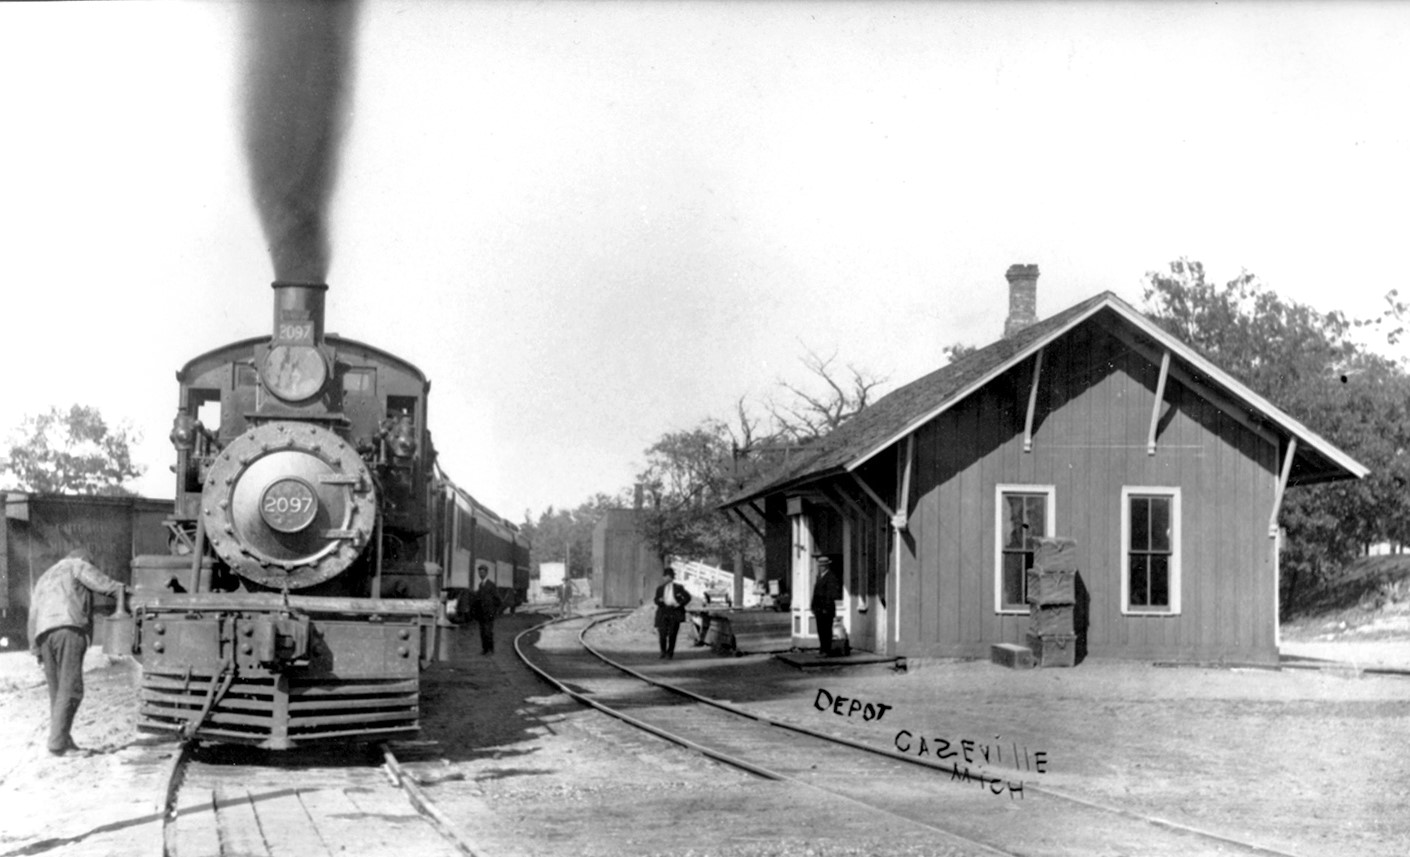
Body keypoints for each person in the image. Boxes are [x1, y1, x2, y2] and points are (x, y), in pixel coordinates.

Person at [27, 548, 126, 756]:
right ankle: (57, 745)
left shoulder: (45, 576)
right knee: (71, 688)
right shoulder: (76, 565)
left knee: (58, 692)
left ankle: (64, 741)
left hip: (44, 635)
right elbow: (104, 585)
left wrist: (35, 647)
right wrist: (128, 591)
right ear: (84, 559)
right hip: (68, 629)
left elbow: (33, 613)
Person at [653, 567, 692, 660]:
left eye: (665, 576)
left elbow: (688, 597)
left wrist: (680, 604)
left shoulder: (679, 588)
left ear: (670, 577)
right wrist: (659, 601)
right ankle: (663, 652)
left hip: (675, 612)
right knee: (662, 633)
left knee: (672, 634)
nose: (664, 578)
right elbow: (655, 599)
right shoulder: (660, 588)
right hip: (663, 611)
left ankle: (670, 653)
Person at [810, 554, 843, 657]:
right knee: (821, 630)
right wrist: (813, 606)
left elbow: (830, 595)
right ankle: (822, 649)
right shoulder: (820, 577)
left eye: (822, 565)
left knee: (826, 631)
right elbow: (815, 593)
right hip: (819, 609)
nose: (820, 567)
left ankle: (826, 650)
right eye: (819, 565)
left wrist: (826, 608)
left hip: (826, 610)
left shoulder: (831, 577)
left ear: (826, 566)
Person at [470, 564, 501, 655]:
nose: (481, 574)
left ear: (486, 573)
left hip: (489, 613)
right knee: (482, 632)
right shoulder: (480, 585)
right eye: (479, 572)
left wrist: (493, 611)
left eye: (483, 572)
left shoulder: (491, 585)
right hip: (482, 614)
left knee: (488, 632)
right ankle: (485, 649)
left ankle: (491, 649)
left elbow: (498, 599)